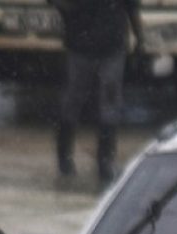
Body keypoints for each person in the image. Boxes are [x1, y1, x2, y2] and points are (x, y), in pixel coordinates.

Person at [50, 0, 145, 186]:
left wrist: (139, 37)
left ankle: (102, 161)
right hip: (85, 43)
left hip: (104, 43)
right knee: (77, 101)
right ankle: (70, 158)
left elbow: (132, 6)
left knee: (101, 102)